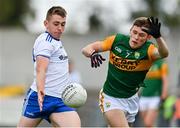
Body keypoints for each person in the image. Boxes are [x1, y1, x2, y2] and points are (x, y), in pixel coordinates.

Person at [82, 16, 169, 127]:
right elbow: (85, 49)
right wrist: (92, 53)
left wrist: (159, 37)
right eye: (135, 32)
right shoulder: (116, 40)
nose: (136, 37)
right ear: (130, 30)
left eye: (141, 35)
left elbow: (164, 53)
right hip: (110, 97)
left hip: (131, 98)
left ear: (148, 37)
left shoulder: (149, 50)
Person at [17, 6, 81, 127]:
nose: (60, 28)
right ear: (46, 23)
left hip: (60, 101)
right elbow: (41, 69)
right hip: (39, 98)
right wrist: (41, 90)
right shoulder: (45, 42)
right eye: (56, 24)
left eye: (63, 24)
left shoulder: (56, 41)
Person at [139, 59, 168, 127]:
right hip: (144, 96)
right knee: (146, 124)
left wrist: (164, 96)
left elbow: (165, 81)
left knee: (148, 123)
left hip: (155, 96)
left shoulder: (161, 64)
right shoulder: (146, 63)